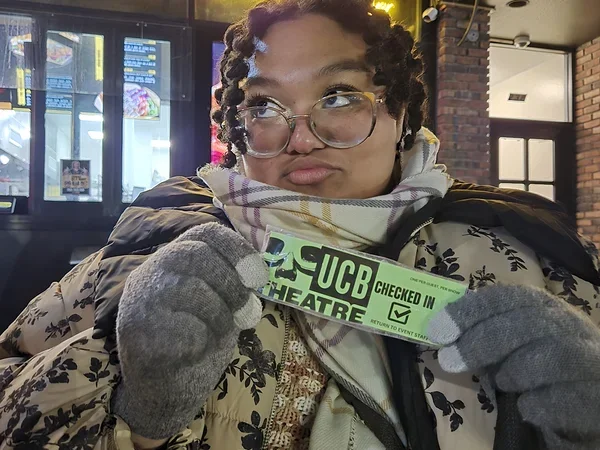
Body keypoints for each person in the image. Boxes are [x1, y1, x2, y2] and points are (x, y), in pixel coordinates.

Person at [1, 1, 599, 449]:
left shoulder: (525, 255)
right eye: (265, 107)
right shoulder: (151, 247)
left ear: (400, 114)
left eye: (338, 96)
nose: (303, 138)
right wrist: (136, 415)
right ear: (238, 129)